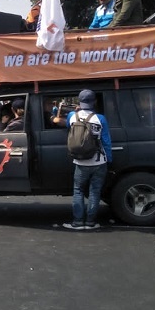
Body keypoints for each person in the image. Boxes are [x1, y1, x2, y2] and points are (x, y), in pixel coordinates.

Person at [64, 90, 112, 230]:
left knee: (78, 190)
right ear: (94, 102)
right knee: (94, 191)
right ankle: (91, 222)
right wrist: (109, 158)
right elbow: (106, 141)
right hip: (98, 161)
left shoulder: (72, 116)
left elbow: (68, 127)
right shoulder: (100, 118)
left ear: (79, 101)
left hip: (80, 162)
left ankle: (78, 222)